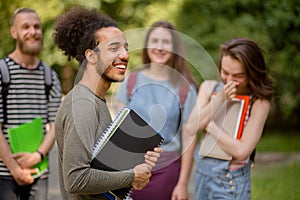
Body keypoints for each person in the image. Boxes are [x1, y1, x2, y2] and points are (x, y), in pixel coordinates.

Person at [53, 6, 162, 200]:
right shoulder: (82, 104)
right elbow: (76, 179)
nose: (125, 55)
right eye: (114, 48)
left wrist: (138, 167)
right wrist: (132, 176)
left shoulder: (96, 100)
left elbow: (101, 169)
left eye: (125, 48)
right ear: (91, 56)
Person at [114, 21, 198, 200]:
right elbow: (118, 128)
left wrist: (182, 184)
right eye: (155, 41)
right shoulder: (131, 81)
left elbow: (189, 138)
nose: (159, 47)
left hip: (166, 170)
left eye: (166, 42)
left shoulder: (185, 88)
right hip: (129, 167)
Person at [187, 38, 274, 200]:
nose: (229, 80)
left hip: (230, 181)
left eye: (238, 75)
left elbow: (241, 152)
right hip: (202, 176)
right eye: (225, 72)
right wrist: (220, 99)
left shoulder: (259, 102)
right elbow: (191, 127)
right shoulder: (209, 88)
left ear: (252, 73)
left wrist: (208, 124)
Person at [0, 8, 62, 200]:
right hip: (5, 174)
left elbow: (55, 125)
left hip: (39, 172)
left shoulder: (49, 76)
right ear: (14, 32)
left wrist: (37, 155)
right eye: (25, 27)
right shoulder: (2, 72)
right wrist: (15, 169)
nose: (32, 31)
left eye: (36, 26)